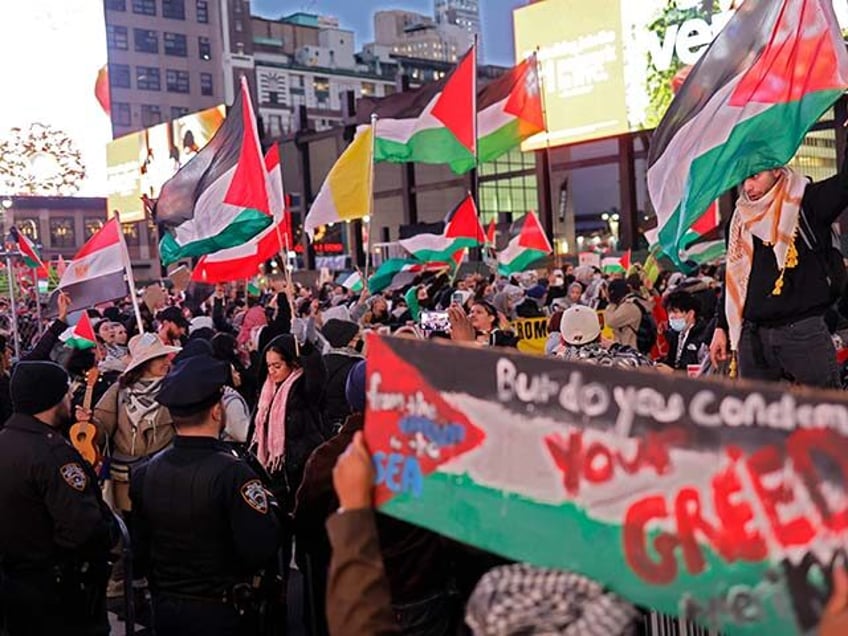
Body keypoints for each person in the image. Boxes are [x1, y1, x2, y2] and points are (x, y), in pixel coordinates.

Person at [130, 353, 282, 635]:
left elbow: (139, 551)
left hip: (166, 612)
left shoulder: (144, 473)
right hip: (223, 612)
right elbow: (260, 547)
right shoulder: (233, 474)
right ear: (216, 411)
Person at [0, 361, 117, 635]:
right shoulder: (53, 455)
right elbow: (83, 529)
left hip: (13, 590)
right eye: (66, 392)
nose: (69, 399)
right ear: (51, 398)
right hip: (58, 592)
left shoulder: (6, 441)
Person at [709, 165, 848, 387]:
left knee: (823, 415)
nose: (748, 187)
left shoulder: (806, 200)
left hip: (803, 332)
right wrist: (721, 326)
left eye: (755, 176)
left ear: (775, 170)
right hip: (752, 336)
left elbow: (844, 181)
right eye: (743, 179)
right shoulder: (739, 219)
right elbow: (735, 278)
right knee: (756, 418)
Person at [552, 306, 654, 369]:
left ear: (562, 339)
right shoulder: (617, 364)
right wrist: (615, 346)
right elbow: (646, 363)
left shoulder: (549, 370)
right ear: (600, 336)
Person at [320, 318, 364, 433]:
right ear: (350, 341)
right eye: (357, 338)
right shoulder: (356, 368)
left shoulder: (321, 362)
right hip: (348, 426)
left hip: (323, 426)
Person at [662, 290, 709, 372]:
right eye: (669, 312)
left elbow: (703, 369)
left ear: (690, 314)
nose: (671, 316)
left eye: (676, 312)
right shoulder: (674, 334)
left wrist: (674, 373)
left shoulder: (703, 336)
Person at [603, 279, 650, 350]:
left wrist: (611, 304)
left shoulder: (628, 306)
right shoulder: (635, 301)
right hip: (637, 345)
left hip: (632, 346)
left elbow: (610, 322)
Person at [448, 301, 518, 348]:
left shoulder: (503, 338)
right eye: (471, 312)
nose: (473, 315)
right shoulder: (458, 334)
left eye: (479, 312)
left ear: (491, 318)